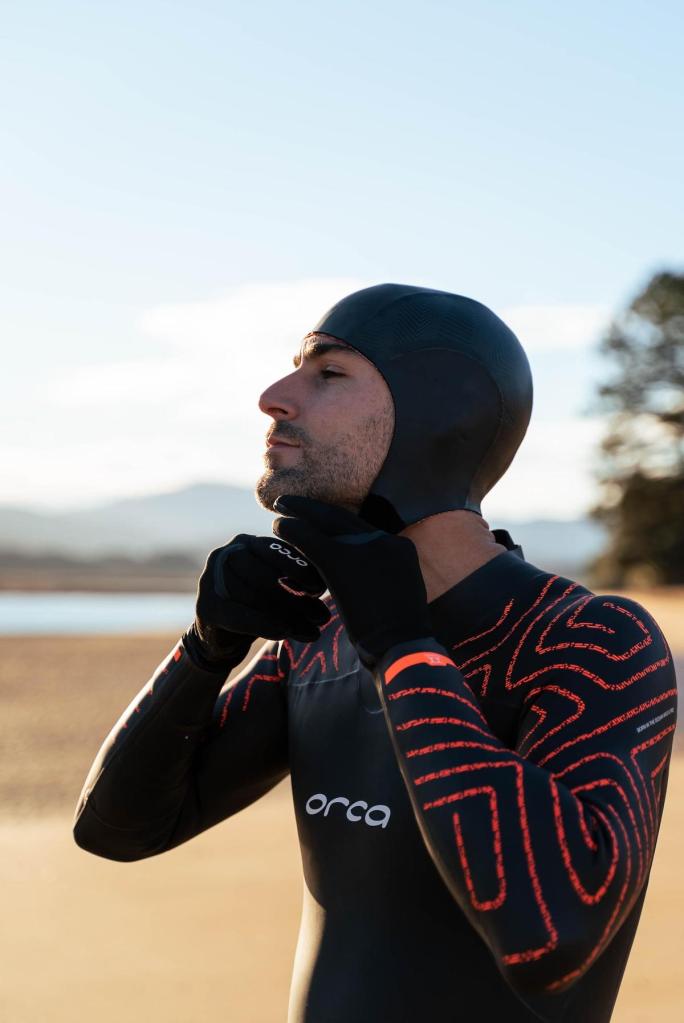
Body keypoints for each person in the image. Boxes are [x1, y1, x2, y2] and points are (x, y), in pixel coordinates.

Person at [74, 284, 678, 1022]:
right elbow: (118, 829)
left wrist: (401, 647)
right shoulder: (320, 639)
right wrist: (207, 648)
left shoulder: (590, 641)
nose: (273, 396)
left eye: (328, 373)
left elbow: (550, 936)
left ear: (436, 416)